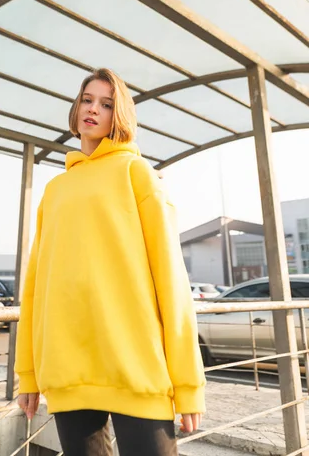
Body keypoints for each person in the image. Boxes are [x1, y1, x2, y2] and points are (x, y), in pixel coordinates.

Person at [15, 68, 205, 456]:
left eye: (106, 104)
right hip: (69, 373)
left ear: (119, 115)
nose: (93, 109)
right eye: (87, 99)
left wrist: (188, 385)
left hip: (137, 370)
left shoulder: (138, 174)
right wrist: (28, 375)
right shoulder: (55, 190)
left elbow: (171, 280)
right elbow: (35, 287)